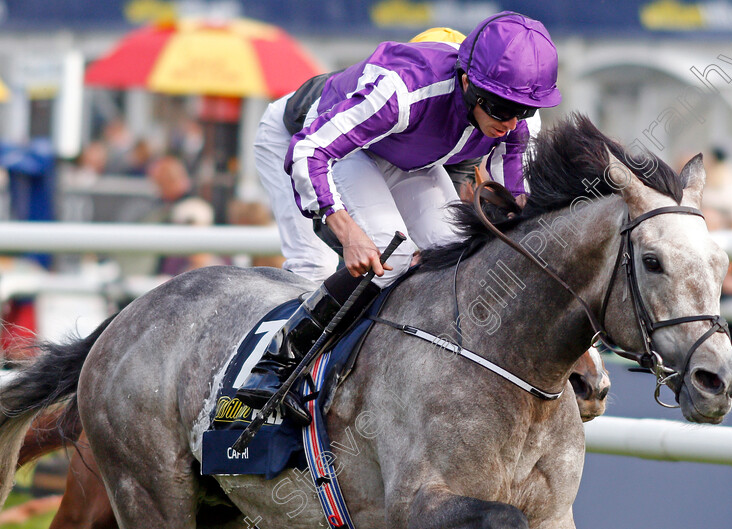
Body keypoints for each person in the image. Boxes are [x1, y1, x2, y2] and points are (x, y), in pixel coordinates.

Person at [236, 11, 561, 418]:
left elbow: (516, 203)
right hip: (310, 139)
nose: (510, 122)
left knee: (452, 255)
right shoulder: (401, 90)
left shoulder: (514, 117)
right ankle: (272, 371)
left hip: (403, 154)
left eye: (523, 110)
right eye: (499, 108)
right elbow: (309, 153)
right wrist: (349, 231)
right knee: (353, 261)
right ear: (466, 82)